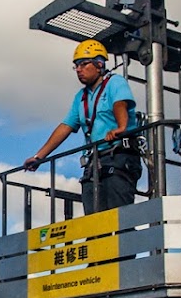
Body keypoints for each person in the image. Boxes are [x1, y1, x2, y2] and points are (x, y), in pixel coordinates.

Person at [23, 39, 141, 214]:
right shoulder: (81, 97)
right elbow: (66, 126)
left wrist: (121, 127)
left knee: (119, 219)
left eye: (84, 64)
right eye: (76, 66)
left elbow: (120, 104)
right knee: (94, 223)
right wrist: (39, 156)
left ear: (99, 64)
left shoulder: (115, 83)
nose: (78, 69)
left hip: (118, 157)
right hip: (94, 162)